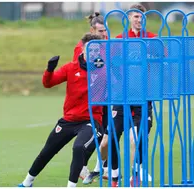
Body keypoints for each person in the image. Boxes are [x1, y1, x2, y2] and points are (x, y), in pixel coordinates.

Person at [18, 33, 105, 187]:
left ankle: (71, 185)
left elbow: (118, 86)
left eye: (96, 51)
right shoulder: (70, 68)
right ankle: (27, 182)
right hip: (69, 120)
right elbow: (48, 83)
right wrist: (49, 69)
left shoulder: (103, 69)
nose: (93, 54)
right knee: (47, 151)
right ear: (83, 50)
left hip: (91, 120)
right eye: (90, 50)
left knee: (78, 148)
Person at [83, 4, 156, 187]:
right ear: (129, 18)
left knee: (137, 137)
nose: (139, 20)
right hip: (121, 97)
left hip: (143, 97)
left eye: (142, 17)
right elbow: (106, 62)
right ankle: (104, 170)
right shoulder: (119, 39)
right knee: (109, 140)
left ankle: (136, 174)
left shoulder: (152, 39)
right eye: (136, 17)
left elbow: (165, 59)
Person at [72, 12, 109, 181]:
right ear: (92, 30)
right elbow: (80, 69)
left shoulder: (105, 44)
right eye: (100, 31)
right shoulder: (82, 47)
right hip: (90, 99)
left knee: (106, 133)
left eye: (105, 31)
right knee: (98, 133)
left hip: (106, 96)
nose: (104, 34)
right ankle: (83, 166)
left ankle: (101, 168)